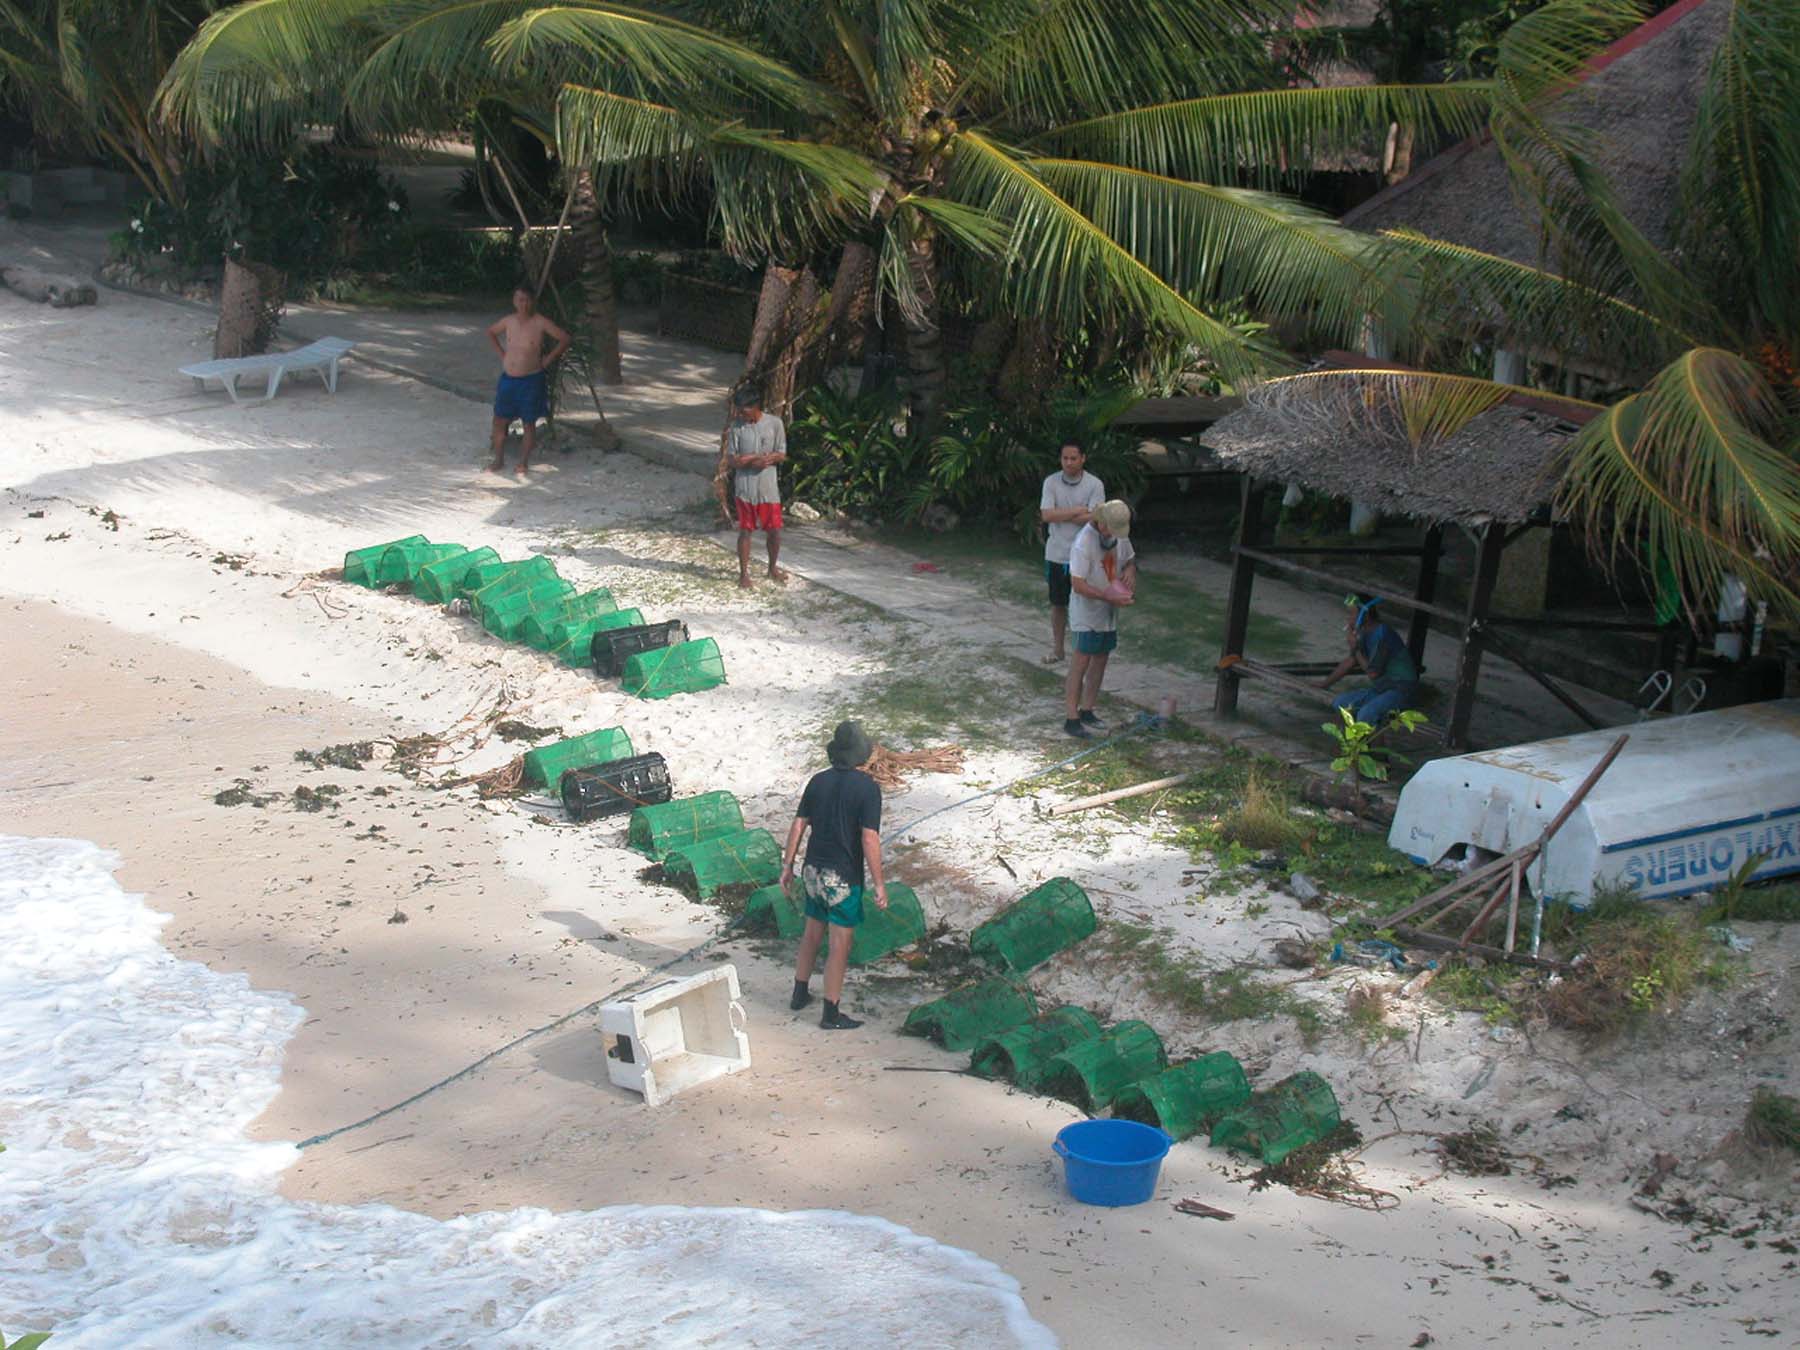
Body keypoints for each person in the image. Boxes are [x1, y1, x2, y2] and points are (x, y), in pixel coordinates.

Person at [781, 720, 888, 1030]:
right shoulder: (868, 788)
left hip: (812, 871)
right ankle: (831, 1013)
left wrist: (787, 866)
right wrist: (879, 884)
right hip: (842, 878)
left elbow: (799, 824)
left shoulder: (818, 781)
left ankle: (799, 994)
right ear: (861, 754)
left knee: (812, 932)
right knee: (840, 944)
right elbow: (869, 838)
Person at [1064, 499, 1137, 738]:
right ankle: (1071, 718)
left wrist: (1130, 571)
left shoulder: (1119, 537)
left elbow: (1130, 559)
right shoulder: (1083, 543)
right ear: (1101, 523)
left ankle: (1087, 710)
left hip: (1108, 612)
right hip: (1086, 611)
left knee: (1101, 658)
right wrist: (1108, 596)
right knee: (1081, 661)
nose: (1113, 534)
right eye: (1111, 529)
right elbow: (1077, 584)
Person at [485, 285, 570, 476]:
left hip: (531, 380)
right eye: (519, 300)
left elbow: (564, 339)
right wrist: (502, 354)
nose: (523, 304)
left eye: (526, 300)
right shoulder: (508, 321)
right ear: (514, 301)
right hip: (508, 379)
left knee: (528, 422)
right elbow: (490, 332)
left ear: (532, 302)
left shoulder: (540, 322)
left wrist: (547, 359)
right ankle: (498, 460)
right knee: (499, 419)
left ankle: (523, 462)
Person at [1039, 440, 1106, 664]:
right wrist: (1078, 510)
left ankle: (1085, 652)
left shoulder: (1094, 484)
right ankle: (1058, 649)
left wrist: (1063, 514)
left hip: (1086, 556)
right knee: (1058, 604)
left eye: (1073, 458)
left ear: (1083, 458)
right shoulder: (1051, 482)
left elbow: (1096, 518)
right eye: (1065, 458)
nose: (1068, 463)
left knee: (1087, 606)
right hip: (1057, 554)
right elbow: (1047, 515)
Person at [1320, 594, 1420, 723]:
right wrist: (1324, 684)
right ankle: (1356, 735)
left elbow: (1373, 674)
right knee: (1340, 703)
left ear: (1365, 615)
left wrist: (1355, 648)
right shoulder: (1363, 632)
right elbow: (1351, 661)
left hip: (1401, 690)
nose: (1348, 618)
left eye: (1351, 614)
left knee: (1366, 714)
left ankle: (1373, 734)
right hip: (1381, 689)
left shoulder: (1383, 635)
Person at [727, 386, 789, 588]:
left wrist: (769, 459)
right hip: (745, 490)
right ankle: (743, 574)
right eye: (738, 411)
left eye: (743, 411)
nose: (740, 415)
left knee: (774, 531)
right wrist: (755, 459)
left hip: (768, 489)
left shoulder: (775, 424)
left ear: (755, 407)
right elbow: (732, 460)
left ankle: (772, 568)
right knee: (745, 531)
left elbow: (781, 453)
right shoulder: (736, 428)